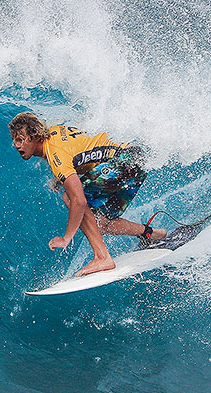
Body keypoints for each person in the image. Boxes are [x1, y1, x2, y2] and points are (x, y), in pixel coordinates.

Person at [9, 112, 167, 276]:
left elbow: (79, 201)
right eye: (15, 141)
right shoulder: (55, 133)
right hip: (135, 158)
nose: (17, 145)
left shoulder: (56, 156)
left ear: (35, 137)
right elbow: (82, 148)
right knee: (99, 223)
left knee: (70, 197)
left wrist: (66, 238)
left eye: (20, 140)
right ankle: (151, 234)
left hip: (124, 161)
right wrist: (62, 179)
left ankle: (102, 257)